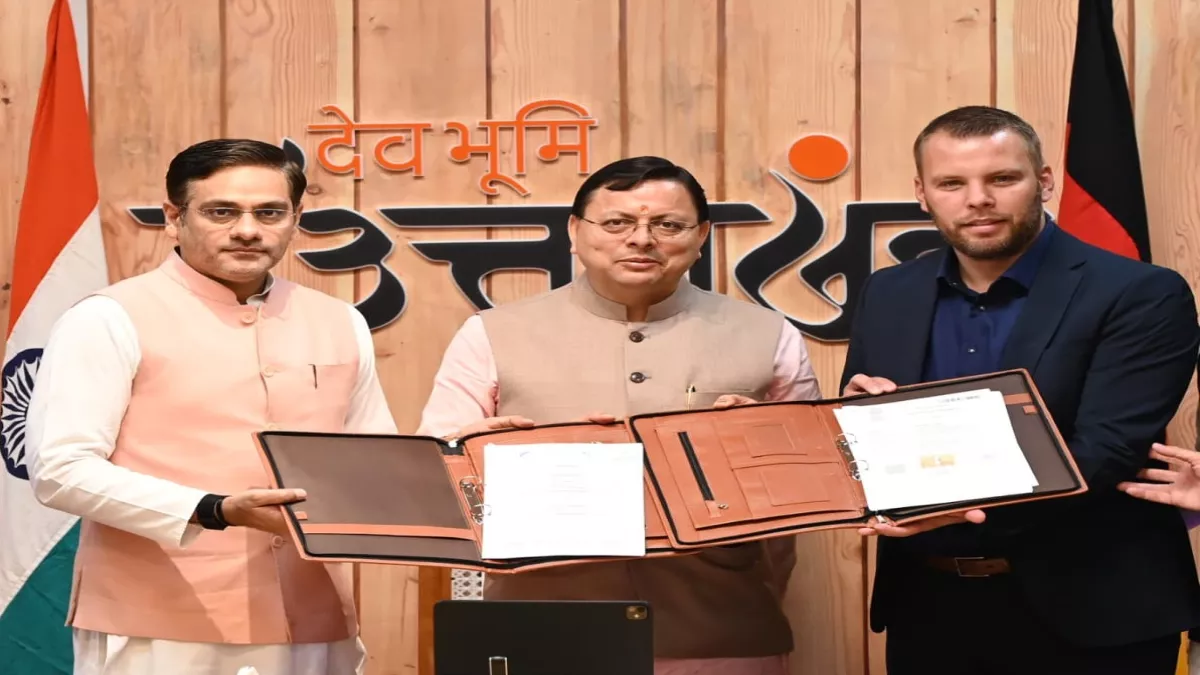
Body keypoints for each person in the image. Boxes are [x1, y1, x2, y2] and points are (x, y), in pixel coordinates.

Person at [417, 156, 822, 675]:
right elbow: (430, 482)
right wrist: (467, 459)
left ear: (701, 236)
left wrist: (769, 447)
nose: (642, 239)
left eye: (668, 225)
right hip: (538, 632)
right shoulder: (491, 334)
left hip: (724, 632)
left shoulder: (769, 335)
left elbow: (816, 488)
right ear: (575, 231)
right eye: (617, 222)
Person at [839, 105, 1200, 675]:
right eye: (951, 183)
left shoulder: (1142, 293)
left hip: (1096, 611)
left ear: (1045, 181)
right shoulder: (888, 292)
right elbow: (862, 426)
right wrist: (851, 428)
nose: (977, 199)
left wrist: (953, 510)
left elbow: (1105, 451)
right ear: (922, 193)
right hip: (928, 610)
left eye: (1002, 178)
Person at [27, 139, 397, 675]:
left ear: (296, 219)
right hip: (157, 622)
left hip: (312, 619)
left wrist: (460, 456)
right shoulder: (108, 317)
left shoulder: (342, 322)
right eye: (222, 212)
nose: (248, 230)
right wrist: (214, 509)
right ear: (173, 218)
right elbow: (60, 470)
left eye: (269, 213)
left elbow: (375, 459)